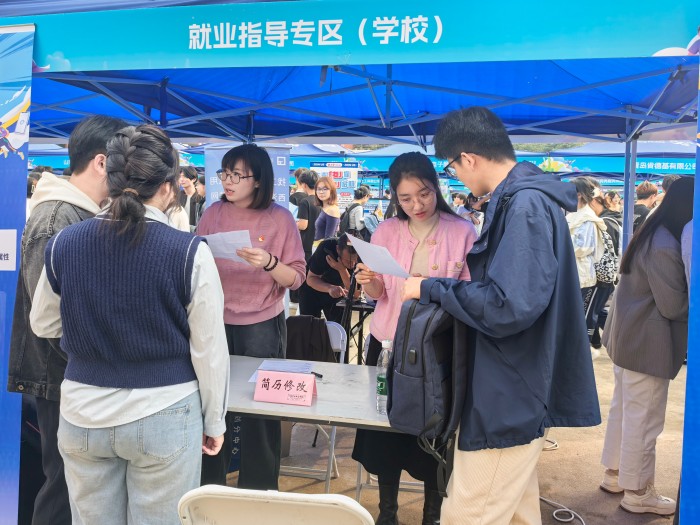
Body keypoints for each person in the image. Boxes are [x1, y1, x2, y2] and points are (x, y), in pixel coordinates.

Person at [401, 107, 601, 525]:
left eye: (452, 167)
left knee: (468, 514)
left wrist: (432, 287)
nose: (456, 176)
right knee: (515, 513)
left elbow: (508, 305)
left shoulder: (524, 205)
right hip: (515, 383)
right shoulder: (522, 199)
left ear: (468, 158)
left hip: (510, 389)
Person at [29, 124, 230, 524]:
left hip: (83, 411)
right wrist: (214, 420)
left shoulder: (65, 243)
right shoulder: (189, 252)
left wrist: (93, 332)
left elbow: (43, 324)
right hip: (164, 410)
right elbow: (208, 350)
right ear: (169, 186)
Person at [7, 115, 127, 525]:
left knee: (77, 486)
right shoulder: (56, 217)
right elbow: (50, 318)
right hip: (60, 377)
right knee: (63, 486)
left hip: (76, 376)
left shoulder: (81, 213)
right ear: (101, 162)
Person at [352, 152, 477, 525]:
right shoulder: (386, 231)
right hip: (388, 343)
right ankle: (386, 512)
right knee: (386, 431)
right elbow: (380, 293)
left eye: (424, 194)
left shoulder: (462, 231)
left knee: (433, 433)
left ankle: (431, 515)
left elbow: (472, 294)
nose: (416, 205)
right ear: (394, 197)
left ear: (436, 187)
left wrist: (430, 288)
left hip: (436, 348)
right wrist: (368, 282)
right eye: (405, 198)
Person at [197, 143, 306, 490]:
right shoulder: (213, 213)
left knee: (260, 411)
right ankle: (210, 487)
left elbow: (297, 278)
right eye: (224, 174)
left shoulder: (280, 218)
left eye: (237, 175)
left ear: (258, 180)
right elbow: (196, 261)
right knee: (213, 405)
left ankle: (259, 490)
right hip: (215, 321)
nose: (227, 181)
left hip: (262, 324)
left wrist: (269, 263)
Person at [600, 176, 693, 516]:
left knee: (625, 412)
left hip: (628, 338)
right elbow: (673, 305)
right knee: (645, 419)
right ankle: (638, 492)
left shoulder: (653, 232)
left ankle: (615, 475)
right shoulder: (666, 243)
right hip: (647, 343)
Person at [567, 176, 607, 344]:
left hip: (582, 276)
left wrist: (561, 243)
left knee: (576, 318)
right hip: (572, 273)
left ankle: (577, 349)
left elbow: (585, 247)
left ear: (579, 194)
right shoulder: (574, 214)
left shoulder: (588, 218)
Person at [299, 233, 359, 324]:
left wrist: (342, 269)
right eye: (348, 260)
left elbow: (354, 294)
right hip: (311, 289)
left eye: (355, 260)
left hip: (338, 291)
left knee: (341, 328)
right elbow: (311, 279)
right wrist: (329, 288)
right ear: (337, 249)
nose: (352, 264)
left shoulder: (362, 256)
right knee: (309, 328)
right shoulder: (326, 248)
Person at [294, 169, 321, 263]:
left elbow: (303, 225)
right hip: (320, 242)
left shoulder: (305, 202)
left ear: (304, 185)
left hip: (308, 244)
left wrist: (294, 223)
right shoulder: (322, 200)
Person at [314, 175, 341, 240]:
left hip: (323, 245)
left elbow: (328, 239)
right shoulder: (325, 208)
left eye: (325, 189)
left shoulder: (332, 210)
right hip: (318, 244)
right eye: (319, 189)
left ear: (332, 191)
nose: (321, 192)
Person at [177, 166, 204, 230]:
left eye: (184, 176)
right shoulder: (177, 196)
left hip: (196, 232)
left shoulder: (200, 196)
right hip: (179, 231)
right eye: (180, 176)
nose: (181, 179)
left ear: (194, 179)